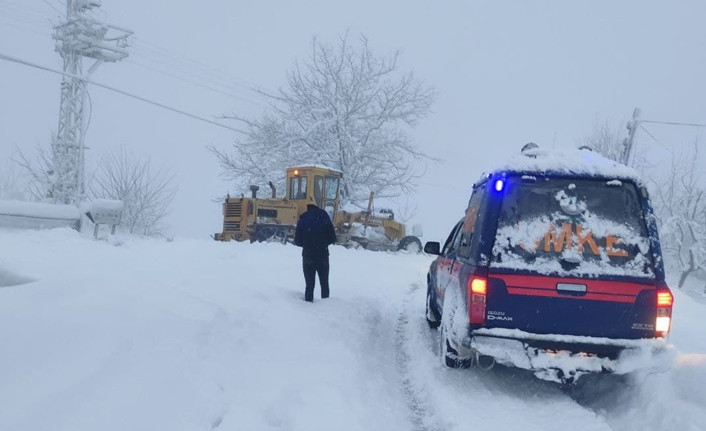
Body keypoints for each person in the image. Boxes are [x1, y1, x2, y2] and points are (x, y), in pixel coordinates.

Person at [294, 203, 337, 302]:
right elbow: (332, 237)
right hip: (322, 255)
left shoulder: (303, 219)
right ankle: (326, 304)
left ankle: (309, 305)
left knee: (309, 285)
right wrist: (322, 243)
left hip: (308, 256)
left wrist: (308, 244)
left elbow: (297, 241)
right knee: (324, 283)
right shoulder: (324, 216)